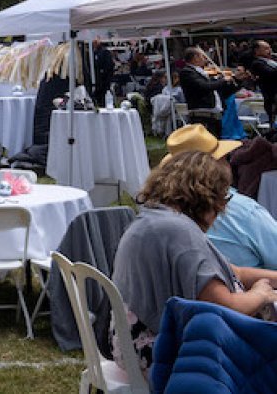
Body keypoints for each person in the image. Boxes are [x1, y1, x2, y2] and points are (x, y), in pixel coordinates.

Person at [111, 149, 277, 374]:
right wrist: (261, 294)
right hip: (166, 355)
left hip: (130, 346)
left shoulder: (153, 219)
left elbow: (233, 271)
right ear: (206, 197)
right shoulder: (180, 232)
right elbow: (225, 307)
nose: (220, 211)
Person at [157, 125, 277, 271]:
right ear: (218, 166)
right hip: (243, 288)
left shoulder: (158, 211)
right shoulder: (244, 211)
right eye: (225, 158)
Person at [180, 46, 238, 128]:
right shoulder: (187, 72)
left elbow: (221, 91)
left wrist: (237, 80)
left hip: (214, 115)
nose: (206, 59)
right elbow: (205, 86)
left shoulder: (203, 73)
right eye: (203, 56)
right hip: (201, 115)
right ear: (195, 58)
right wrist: (223, 80)